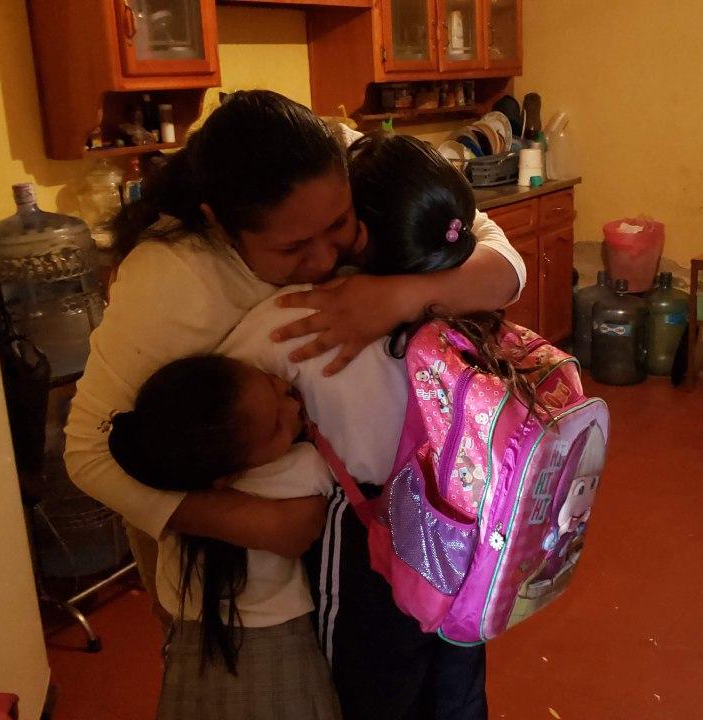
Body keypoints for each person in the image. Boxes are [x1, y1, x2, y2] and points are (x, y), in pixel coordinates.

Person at [64, 91, 524, 648]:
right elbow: (89, 452)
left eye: (342, 224)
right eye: (293, 248)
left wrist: (399, 296)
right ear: (222, 225)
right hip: (255, 591)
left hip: (398, 527)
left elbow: (502, 263)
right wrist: (263, 525)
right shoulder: (172, 277)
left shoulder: (350, 160)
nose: (328, 259)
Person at [219, 132, 550, 719]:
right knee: (457, 679)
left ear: (361, 234)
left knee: (371, 689)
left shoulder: (302, 319)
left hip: (368, 540)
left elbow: (222, 393)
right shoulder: (467, 305)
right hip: (467, 525)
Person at [107, 355, 340, 719]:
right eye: (277, 427)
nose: (292, 403)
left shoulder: (176, 472)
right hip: (279, 637)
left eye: (271, 385)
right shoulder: (304, 467)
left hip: (190, 636)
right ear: (225, 479)